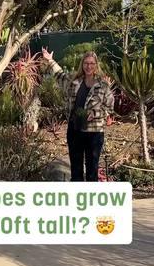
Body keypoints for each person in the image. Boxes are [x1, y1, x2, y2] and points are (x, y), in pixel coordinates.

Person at [42, 48, 114, 182]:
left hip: (94, 132)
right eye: (86, 63)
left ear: (96, 65)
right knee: (76, 170)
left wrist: (95, 113)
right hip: (75, 130)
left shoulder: (103, 85)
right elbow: (60, 76)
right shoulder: (74, 81)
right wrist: (50, 60)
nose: (89, 66)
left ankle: (90, 200)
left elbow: (109, 107)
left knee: (92, 169)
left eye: (92, 63)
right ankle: (77, 199)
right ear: (82, 64)